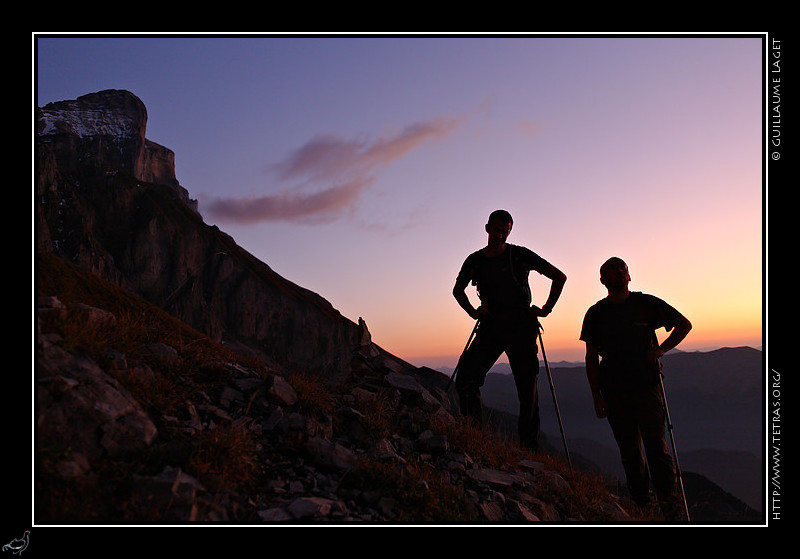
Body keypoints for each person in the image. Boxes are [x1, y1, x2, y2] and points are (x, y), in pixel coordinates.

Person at [579, 257, 692, 521]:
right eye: (612, 270)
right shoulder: (596, 314)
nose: (619, 273)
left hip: (646, 387)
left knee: (657, 452)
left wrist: (661, 349)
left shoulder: (645, 304)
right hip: (615, 391)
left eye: (623, 269)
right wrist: (596, 396)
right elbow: (590, 356)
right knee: (630, 453)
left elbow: (684, 324)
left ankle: (671, 512)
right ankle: (644, 510)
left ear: (629, 276)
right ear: (602, 280)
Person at [452, 209, 566, 451]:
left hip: (515, 327)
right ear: (487, 228)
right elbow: (457, 291)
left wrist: (546, 309)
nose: (500, 235)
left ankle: (528, 449)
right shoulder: (481, 259)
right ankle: (476, 438)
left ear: (509, 231)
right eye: (497, 230)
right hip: (501, 325)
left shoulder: (516, 255)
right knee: (469, 379)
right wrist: (473, 312)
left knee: (525, 389)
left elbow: (560, 277)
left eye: (505, 231)